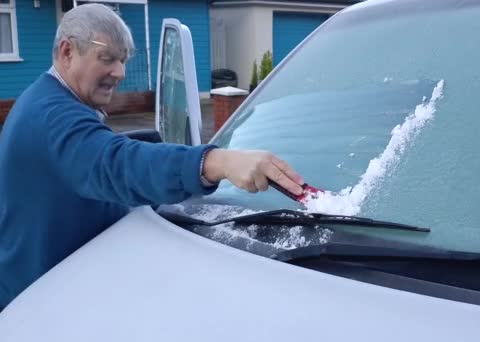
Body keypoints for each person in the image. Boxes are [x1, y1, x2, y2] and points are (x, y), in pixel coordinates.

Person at [0, 4, 304, 311]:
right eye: (107, 58)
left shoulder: (50, 101)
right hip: (40, 303)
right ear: (67, 52)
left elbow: (93, 167)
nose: (118, 72)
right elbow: (115, 165)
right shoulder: (52, 117)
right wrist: (218, 162)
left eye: (123, 60)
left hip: (57, 284)